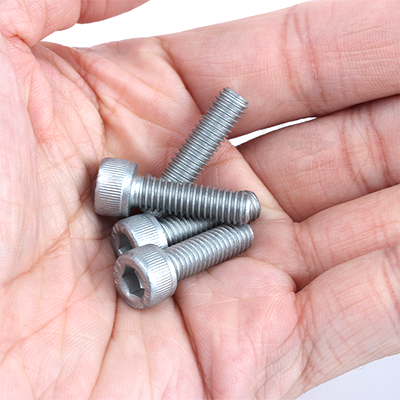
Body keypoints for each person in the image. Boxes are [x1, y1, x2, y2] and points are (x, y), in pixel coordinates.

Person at [0, 0, 399, 398]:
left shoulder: (203, 222)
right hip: (158, 228)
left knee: (231, 218)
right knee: (219, 212)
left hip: (169, 226)